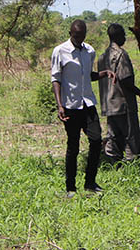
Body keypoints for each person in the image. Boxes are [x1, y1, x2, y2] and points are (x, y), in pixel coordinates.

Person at [51, 19, 115, 197]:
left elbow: (88, 76)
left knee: (96, 141)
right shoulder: (60, 51)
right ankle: (70, 188)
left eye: (81, 35)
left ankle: (90, 183)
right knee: (73, 147)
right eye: (75, 35)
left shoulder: (89, 51)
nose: (78, 38)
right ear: (70, 33)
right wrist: (60, 105)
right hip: (70, 106)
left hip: (87, 103)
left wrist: (104, 74)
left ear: (85, 34)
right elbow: (56, 78)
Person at [97, 22, 140, 162]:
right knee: (130, 136)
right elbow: (125, 80)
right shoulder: (121, 55)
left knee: (113, 136)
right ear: (118, 36)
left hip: (109, 104)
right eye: (124, 35)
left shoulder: (102, 57)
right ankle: (131, 165)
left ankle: (113, 163)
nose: (125, 38)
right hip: (123, 103)